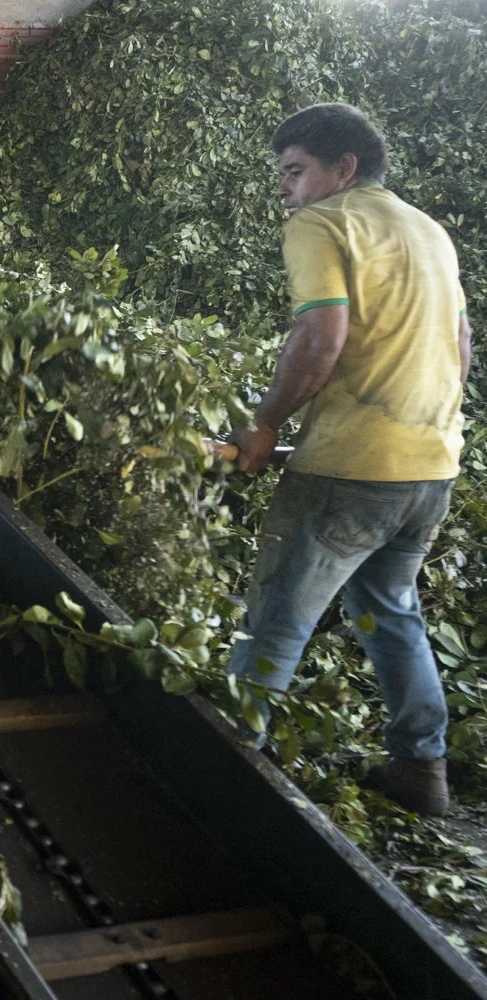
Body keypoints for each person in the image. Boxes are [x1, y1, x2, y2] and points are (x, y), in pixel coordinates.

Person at [229, 103, 471, 817]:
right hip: (433, 468)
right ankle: (421, 770)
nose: (288, 191)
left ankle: (227, 768)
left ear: (345, 169)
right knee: (390, 608)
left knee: (276, 617)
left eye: (296, 172)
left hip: (350, 471)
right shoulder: (429, 232)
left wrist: (265, 424)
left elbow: (321, 334)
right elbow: (460, 349)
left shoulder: (322, 224)